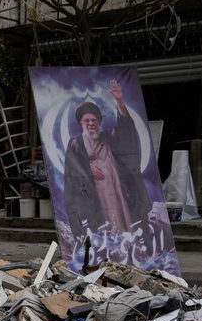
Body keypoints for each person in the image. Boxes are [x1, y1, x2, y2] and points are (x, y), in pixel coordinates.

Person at [63, 79, 153, 239]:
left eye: (94, 120)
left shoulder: (108, 137)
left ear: (99, 122)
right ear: (81, 123)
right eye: (86, 120)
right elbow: (72, 167)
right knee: (100, 225)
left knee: (120, 218)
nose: (91, 123)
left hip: (115, 189)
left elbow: (125, 131)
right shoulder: (75, 143)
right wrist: (88, 168)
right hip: (92, 192)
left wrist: (120, 102)